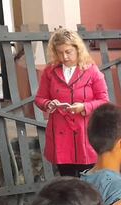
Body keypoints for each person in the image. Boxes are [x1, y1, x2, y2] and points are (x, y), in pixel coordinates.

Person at [35, 28, 109, 177]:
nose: (64, 57)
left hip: (85, 132)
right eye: (60, 52)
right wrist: (48, 104)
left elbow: (104, 101)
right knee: (67, 180)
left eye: (68, 51)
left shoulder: (92, 71)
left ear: (78, 49)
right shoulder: (50, 71)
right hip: (61, 132)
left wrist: (84, 107)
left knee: (88, 179)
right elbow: (39, 98)